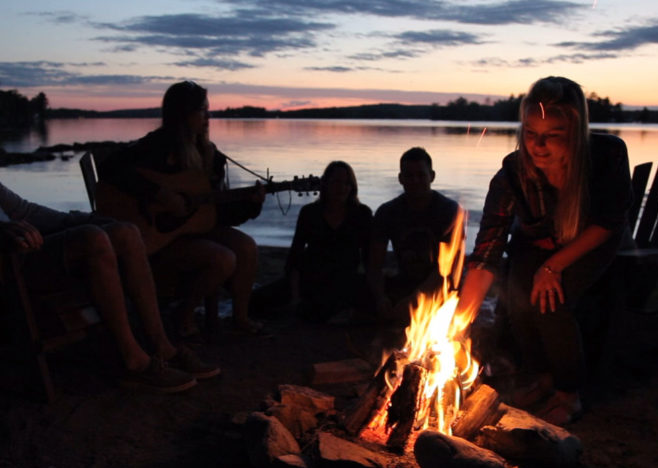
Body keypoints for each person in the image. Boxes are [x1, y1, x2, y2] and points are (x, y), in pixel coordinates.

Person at [0, 78, 219, 393]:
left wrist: (85, 218)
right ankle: (133, 362)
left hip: (14, 254)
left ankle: (162, 346)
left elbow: (24, 211)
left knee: (124, 231)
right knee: (92, 239)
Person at [453, 76, 632, 425]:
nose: (538, 145)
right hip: (536, 243)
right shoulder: (511, 174)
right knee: (518, 299)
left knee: (551, 300)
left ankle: (569, 392)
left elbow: (609, 219)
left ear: (575, 132)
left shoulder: (607, 154)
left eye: (553, 135)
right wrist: (460, 322)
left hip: (593, 238)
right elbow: (487, 251)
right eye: (531, 133)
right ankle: (543, 377)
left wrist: (552, 268)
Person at [98, 81, 265, 339]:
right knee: (223, 259)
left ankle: (240, 318)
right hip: (155, 238)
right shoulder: (156, 146)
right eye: (202, 110)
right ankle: (183, 317)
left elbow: (215, 214)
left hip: (190, 231)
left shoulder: (211, 156)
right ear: (182, 114)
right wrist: (159, 194)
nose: (208, 117)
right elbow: (110, 167)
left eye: (208, 110)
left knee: (247, 247)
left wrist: (251, 205)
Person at [252, 161, 373, 322]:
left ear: (352, 187)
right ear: (325, 184)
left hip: (345, 282)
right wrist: (295, 296)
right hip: (309, 280)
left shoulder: (362, 214)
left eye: (347, 183)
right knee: (253, 302)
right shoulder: (309, 213)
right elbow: (295, 257)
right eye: (336, 181)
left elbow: (369, 259)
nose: (342, 187)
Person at [367, 147, 460, 326]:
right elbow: (374, 265)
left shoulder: (448, 210)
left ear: (432, 176)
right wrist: (381, 298)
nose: (415, 181)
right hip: (404, 283)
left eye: (421, 175)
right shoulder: (387, 212)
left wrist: (417, 299)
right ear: (400, 178)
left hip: (439, 285)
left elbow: (447, 269)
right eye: (409, 176)